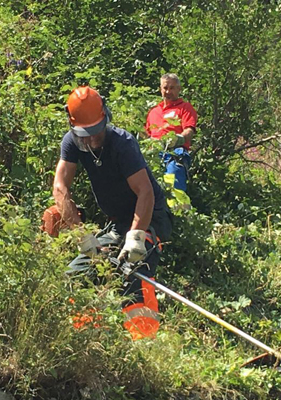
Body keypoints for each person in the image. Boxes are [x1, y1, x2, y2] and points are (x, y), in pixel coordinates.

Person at [42, 86, 172, 340]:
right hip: (117, 224)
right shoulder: (71, 143)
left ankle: (144, 341)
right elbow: (60, 187)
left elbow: (145, 192)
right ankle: (89, 338)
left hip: (150, 217)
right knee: (77, 273)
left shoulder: (122, 144)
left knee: (135, 270)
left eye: (94, 133)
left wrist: (136, 236)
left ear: (105, 118)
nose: (90, 140)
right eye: (83, 134)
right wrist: (83, 237)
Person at [145, 74, 197, 203]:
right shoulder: (153, 112)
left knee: (174, 185)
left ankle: (180, 217)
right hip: (154, 155)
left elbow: (190, 130)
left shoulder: (184, 108)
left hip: (175, 153)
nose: (168, 91)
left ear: (179, 89)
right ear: (160, 89)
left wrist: (178, 139)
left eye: (172, 88)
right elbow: (146, 134)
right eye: (165, 88)